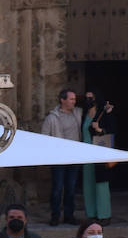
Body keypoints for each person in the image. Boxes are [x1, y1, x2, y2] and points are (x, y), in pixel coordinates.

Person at [39, 89, 82, 225]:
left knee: (70, 188)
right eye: (71, 99)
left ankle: (69, 216)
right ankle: (55, 216)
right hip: (58, 158)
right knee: (57, 188)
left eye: (74, 99)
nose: (74, 102)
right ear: (62, 100)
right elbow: (44, 137)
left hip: (74, 157)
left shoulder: (78, 114)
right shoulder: (52, 117)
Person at [81, 93, 114, 224]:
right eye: (87, 97)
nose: (88, 100)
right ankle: (92, 214)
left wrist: (100, 129)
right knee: (88, 184)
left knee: (101, 184)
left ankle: (104, 215)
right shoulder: (82, 114)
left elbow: (112, 130)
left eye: (91, 97)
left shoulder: (104, 113)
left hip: (100, 152)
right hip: (85, 154)